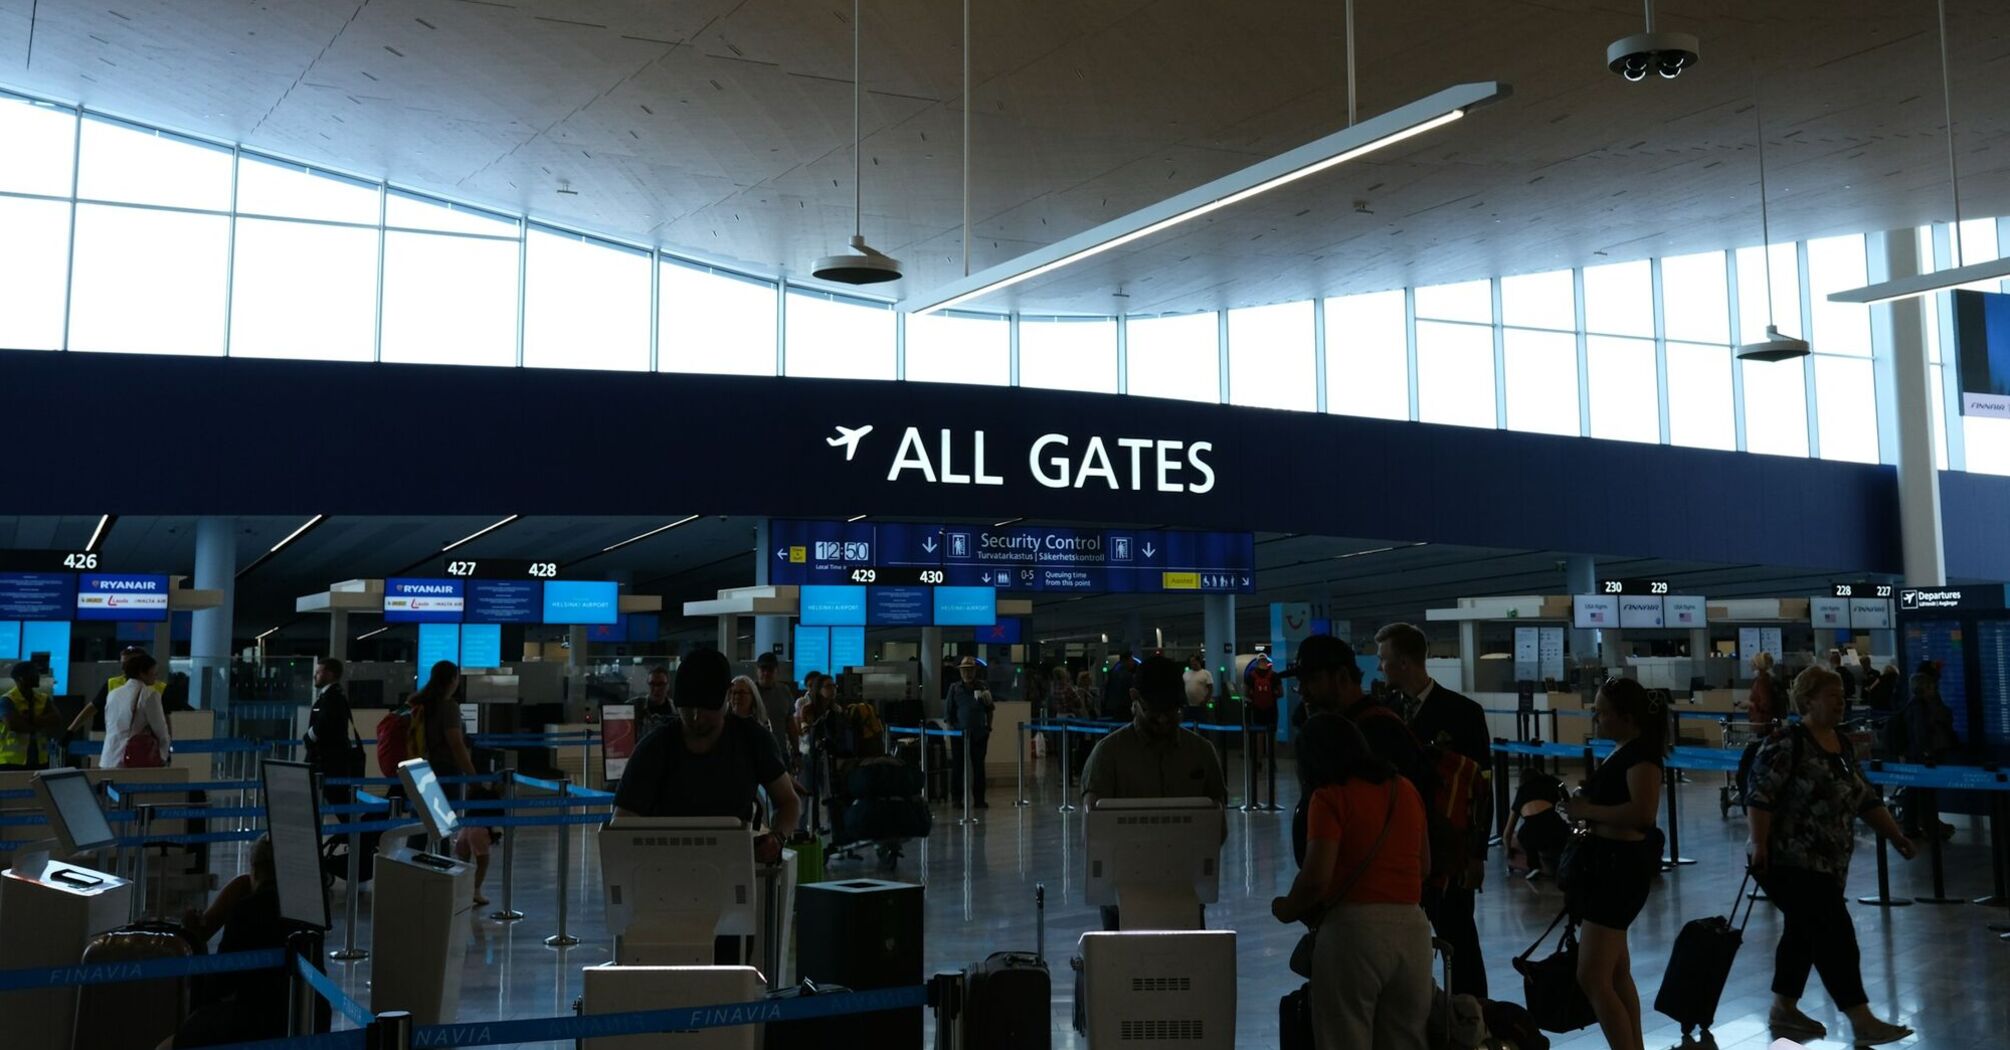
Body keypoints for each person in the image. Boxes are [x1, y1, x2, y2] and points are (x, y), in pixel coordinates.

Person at [1748, 666, 1917, 1046]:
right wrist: (1757, 841)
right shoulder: (1787, 742)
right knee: (1834, 932)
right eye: (1833, 696)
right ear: (1808, 700)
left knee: (1802, 932)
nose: (1842, 703)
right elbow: (1760, 794)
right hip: (1790, 859)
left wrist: (1895, 836)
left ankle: (1783, 1008)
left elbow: (1864, 797)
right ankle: (1861, 1019)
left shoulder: (1841, 745)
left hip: (1829, 862)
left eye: (1842, 696)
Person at [1271, 714, 1432, 1050]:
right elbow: (1425, 866)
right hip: (1413, 931)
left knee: (1345, 1038)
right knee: (1406, 1039)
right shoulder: (1404, 789)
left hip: (1353, 934)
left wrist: (1285, 908)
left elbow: (1316, 878)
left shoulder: (1329, 797)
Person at [1375, 621, 1491, 997]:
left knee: (1458, 934)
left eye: (1384, 660)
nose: (1380, 667)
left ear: (1405, 662)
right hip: (1397, 847)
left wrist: (1476, 854)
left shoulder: (1463, 714)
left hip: (1447, 848)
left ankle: (1471, 1013)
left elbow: (1481, 788)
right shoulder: (1383, 714)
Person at [1557, 678, 1666, 1050]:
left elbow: (1642, 813)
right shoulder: (1624, 750)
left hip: (1618, 871)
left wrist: (1588, 809)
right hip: (1611, 866)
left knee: (1592, 977)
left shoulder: (1641, 756)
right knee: (1616, 973)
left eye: (1602, 712)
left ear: (1626, 716)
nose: (1596, 718)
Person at [1081, 654, 1228, 929]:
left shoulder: (1200, 753)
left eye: (1172, 710)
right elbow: (1093, 829)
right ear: (1134, 697)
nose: (1163, 720)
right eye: (1154, 710)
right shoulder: (1109, 754)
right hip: (1122, 900)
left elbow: (1218, 825)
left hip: (1186, 893)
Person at [614, 648, 800, 865]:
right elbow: (623, 820)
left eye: (705, 708)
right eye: (687, 708)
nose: (695, 716)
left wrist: (776, 837)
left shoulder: (753, 740)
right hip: (665, 868)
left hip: (732, 866)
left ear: (726, 696)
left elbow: (788, 802)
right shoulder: (654, 747)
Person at [170, 836, 294, 1047]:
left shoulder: (247, 909)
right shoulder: (301, 909)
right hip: (302, 1014)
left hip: (259, 1023)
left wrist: (195, 938)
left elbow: (218, 986)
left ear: (254, 869)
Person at [411, 661, 476, 798]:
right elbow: (456, 744)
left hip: (420, 769)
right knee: (445, 816)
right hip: (445, 771)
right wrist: (473, 778)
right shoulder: (449, 706)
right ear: (453, 679)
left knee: (423, 815)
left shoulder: (420, 702)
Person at [100, 649, 170, 769]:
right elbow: (161, 731)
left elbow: (109, 724)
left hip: (108, 758)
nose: (156, 676)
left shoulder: (113, 693)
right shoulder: (149, 694)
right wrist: (163, 756)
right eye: (153, 672)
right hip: (132, 759)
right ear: (142, 673)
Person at [302, 657, 356, 805]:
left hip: (328, 762)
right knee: (337, 801)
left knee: (338, 801)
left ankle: (358, 828)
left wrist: (308, 738)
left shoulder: (331, 698)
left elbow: (322, 724)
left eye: (319, 672)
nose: (315, 675)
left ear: (330, 674)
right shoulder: (334, 696)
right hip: (330, 760)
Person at [945, 656, 994, 808]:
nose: (967, 673)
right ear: (960, 672)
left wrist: (988, 728)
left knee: (979, 767)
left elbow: (989, 709)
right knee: (957, 767)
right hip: (959, 735)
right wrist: (952, 729)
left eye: (970, 670)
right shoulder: (954, 688)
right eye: (964, 670)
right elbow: (949, 712)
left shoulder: (983, 687)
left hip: (979, 735)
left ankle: (979, 799)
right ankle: (956, 799)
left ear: (975, 671)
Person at [1504, 766, 1569, 881]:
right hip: (1555, 825)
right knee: (1560, 840)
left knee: (1523, 835)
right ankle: (1562, 862)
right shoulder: (1548, 784)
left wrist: (1508, 851)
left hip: (1531, 831)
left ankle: (1535, 867)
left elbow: (1507, 833)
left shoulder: (1522, 791)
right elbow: (1566, 799)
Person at [0, 660, 62, 771]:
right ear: (21, 678)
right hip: (10, 762)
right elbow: (13, 725)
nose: (37, 676)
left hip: (39, 760)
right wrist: (41, 723)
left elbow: (56, 719)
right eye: (33, 673)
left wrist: (32, 719)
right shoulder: (7, 700)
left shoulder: (43, 698)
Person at [753, 652, 801, 773]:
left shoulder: (784, 691)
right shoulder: (749, 692)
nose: (766, 673)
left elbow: (791, 725)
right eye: (763, 669)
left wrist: (796, 753)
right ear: (757, 670)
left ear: (777, 671)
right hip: (753, 754)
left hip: (780, 752)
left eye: (770, 669)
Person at [454, 785, 497, 907]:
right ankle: (476, 891)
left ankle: (461, 892)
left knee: (463, 863)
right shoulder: (495, 797)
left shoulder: (474, 792)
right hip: (480, 829)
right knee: (482, 863)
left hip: (465, 828)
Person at [1242, 651, 1282, 770]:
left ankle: (1259, 761)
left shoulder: (1251, 676)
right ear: (1267, 661)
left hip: (1257, 708)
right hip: (1271, 709)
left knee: (1259, 735)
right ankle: (1272, 761)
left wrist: (1253, 697)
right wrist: (1273, 694)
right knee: (1271, 735)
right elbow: (1281, 693)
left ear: (1257, 662)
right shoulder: (1274, 675)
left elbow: (1246, 693)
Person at [1747, 651, 1779, 728]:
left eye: (1753, 662)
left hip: (1763, 723)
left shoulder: (1762, 682)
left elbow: (1766, 705)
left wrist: (1749, 704)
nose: (1750, 665)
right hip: (1767, 722)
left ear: (1758, 665)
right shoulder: (1768, 679)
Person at [1101, 650, 1135, 720]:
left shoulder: (1112, 672)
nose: (1133, 663)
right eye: (1131, 660)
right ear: (1126, 660)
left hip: (1111, 707)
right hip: (1123, 709)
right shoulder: (1127, 675)